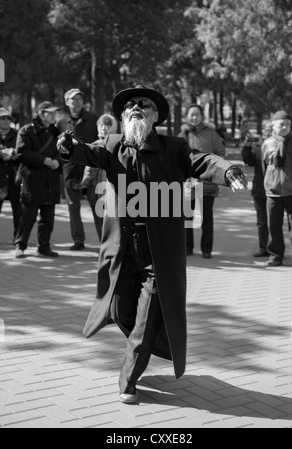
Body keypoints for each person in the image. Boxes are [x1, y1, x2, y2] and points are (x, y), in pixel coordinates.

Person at [57, 84, 247, 404]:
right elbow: (86, 151)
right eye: (130, 105)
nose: (136, 108)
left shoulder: (175, 148)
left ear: (155, 115)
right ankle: (153, 344)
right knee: (119, 311)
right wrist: (66, 146)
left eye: (143, 105)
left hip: (157, 251)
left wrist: (228, 171)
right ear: (122, 115)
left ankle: (129, 379)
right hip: (122, 249)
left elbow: (204, 161)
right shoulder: (113, 144)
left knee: (146, 320)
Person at [14, 102, 62, 259]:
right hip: (32, 179)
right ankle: (20, 245)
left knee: (48, 219)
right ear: (41, 114)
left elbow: (63, 151)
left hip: (51, 180)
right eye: (50, 112)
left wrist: (57, 161)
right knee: (28, 216)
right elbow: (21, 152)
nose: (54, 116)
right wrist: (45, 160)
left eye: (55, 113)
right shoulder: (26, 130)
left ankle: (44, 246)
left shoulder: (56, 132)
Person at [178, 104, 226, 258]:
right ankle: (186, 248)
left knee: (206, 218)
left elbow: (220, 153)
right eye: (191, 114)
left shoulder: (212, 134)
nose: (194, 117)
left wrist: (213, 171)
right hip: (188, 184)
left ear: (202, 116)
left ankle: (206, 250)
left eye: (197, 114)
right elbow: (175, 158)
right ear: (187, 116)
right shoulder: (182, 135)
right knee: (187, 218)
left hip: (207, 183)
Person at [56, 88, 98, 251]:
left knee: (97, 206)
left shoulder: (93, 119)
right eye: (73, 99)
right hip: (70, 170)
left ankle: (105, 240)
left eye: (80, 99)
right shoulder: (60, 122)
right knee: (73, 207)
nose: (77, 102)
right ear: (67, 102)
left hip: (91, 169)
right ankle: (78, 240)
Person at [261, 110, 292, 268]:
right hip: (273, 192)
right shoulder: (267, 144)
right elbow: (263, 167)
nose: (284, 126)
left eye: (287, 124)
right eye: (281, 124)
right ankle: (275, 256)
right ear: (273, 126)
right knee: (273, 226)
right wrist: (269, 184)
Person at [81, 114, 118, 242]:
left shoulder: (119, 144)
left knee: (113, 223)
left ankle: (112, 248)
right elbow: (89, 169)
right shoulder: (94, 145)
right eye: (101, 125)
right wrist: (84, 185)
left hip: (113, 191)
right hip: (96, 191)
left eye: (107, 125)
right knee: (99, 222)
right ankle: (104, 247)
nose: (103, 128)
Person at [241, 121, 272, 257]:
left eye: (270, 129)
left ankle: (277, 249)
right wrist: (247, 147)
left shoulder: (280, 145)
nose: (267, 132)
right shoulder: (260, 147)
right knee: (262, 221)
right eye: (266, 130)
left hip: (276, 189)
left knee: (275, 222)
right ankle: (263, 248)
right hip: (260, 188)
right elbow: (249, 162)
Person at [0, 107, 22, 242]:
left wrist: (15, 154)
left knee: (18, 211)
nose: (6, 121)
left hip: (15, 178)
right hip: (0, 179)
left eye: (8, 118)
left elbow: (24, 151)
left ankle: (19, 239)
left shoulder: (18, 134)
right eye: (3, 118)